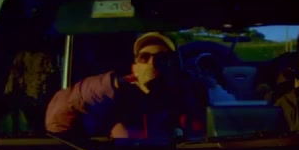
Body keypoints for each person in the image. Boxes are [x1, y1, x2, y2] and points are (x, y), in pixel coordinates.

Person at [45, 32, 205, 140]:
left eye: (162, 58)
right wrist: (113, 83)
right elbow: (56, 120)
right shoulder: (111, 101)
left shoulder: (186, 99)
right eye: (144, 57)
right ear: (134, 67)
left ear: (173, 65)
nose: (152, 63)